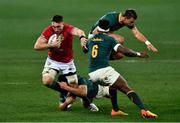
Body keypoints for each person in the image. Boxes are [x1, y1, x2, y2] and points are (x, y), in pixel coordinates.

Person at [86, 19, 158, 118]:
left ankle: (115, 110)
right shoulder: (109, 39)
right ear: (108, 29)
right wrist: (138, 54)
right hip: (104, 71)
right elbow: (124, 51)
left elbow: (85, 49)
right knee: (126, 88)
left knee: (113, 86)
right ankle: (144, 110)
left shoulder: (90, 40)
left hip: (92, 74)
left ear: (97, 29)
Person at [34, 15, 87, 108]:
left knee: (74, 88)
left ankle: (85, 100)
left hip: (67, 63)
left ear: (62, 24)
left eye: (58, 26)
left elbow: (79, 31)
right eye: (54, 26)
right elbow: (37, 46)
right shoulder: (48, 30)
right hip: (53, 61)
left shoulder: (68, 28)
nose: (56, 29)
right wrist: (51, 45)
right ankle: (63, 91)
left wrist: (82, 38)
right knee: (46, 81)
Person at [88, 9, 158, 56]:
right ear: (125, 18)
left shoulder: (124, 21)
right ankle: (103, 55)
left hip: (104, 35)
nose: (132, 24)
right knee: (120, 39)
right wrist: (89, 42)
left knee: (119, 56)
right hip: (94, 35)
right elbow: (95, 31)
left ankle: (108, 55)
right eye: (131, 22)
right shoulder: (111, 19)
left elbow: (137, 33)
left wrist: (148, 43)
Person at [58, 75, 128, 116]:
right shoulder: (65, 87)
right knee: (84, 101)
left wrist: (89, 104)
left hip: (99, 89)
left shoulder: (78, 80)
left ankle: (125, 91)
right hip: (90, 89)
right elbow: (61, 107)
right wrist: (66, 103)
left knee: (111, 94)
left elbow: (84, 94)